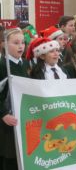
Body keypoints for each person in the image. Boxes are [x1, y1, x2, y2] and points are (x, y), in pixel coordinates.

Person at [0, 28, 30, 170]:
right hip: (7, 119)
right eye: (16, 43)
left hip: (23, 116)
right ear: (5, 45)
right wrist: (3, 114)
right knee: (10, 156)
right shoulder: (2, 65)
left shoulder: (25, 64)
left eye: (23, 43)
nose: (20, 46)